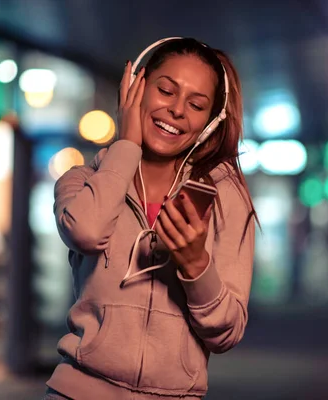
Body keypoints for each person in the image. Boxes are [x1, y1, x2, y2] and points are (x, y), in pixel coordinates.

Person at [44, 37, 257, 400]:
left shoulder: (225, 197)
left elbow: (227, 332)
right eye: (166, 90)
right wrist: (127, 143)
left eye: (196, 104)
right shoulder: (81, 182)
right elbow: (87, 232)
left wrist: (195, 265)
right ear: (135, 88)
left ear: (210, 121)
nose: (177, 110)